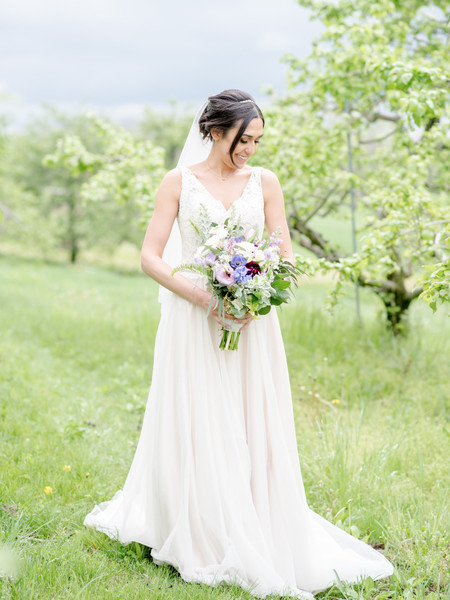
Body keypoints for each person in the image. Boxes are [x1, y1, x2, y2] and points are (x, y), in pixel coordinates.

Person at [84, 89, 394, 599]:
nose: (250, 148)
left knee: (250, 422)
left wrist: (252, 295)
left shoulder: (265, 183)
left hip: (251, 325)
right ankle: (202, 528)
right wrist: (203, 295)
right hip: (194, 320)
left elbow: (284, 254)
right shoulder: (178, 183)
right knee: (200, 417)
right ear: (214, 131)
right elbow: (150, 256)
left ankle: (255, 519)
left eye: (257, 140)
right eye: (243, 139)